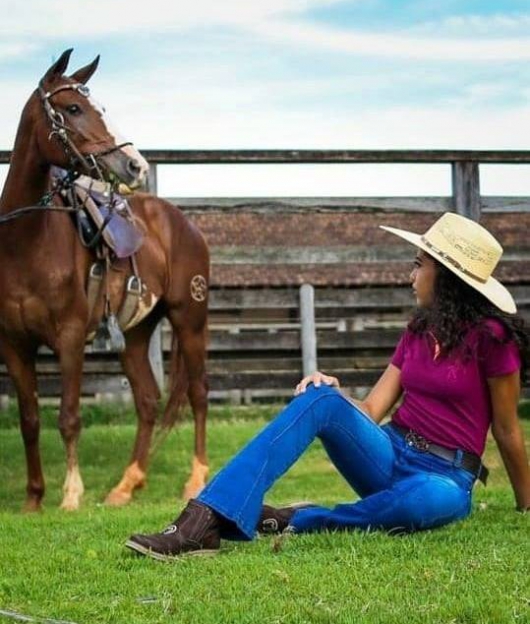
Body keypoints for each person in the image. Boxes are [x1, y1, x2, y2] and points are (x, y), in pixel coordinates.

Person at [126, 212, 530, 561]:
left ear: (445, 277)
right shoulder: (417, 332)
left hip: (444, 477)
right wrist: (333, 393)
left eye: (418, 264)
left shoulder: (493, 340)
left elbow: (508, 429)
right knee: (319, 397)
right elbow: (372, 411)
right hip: (388, 453)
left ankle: (293, 519)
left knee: (423, 502)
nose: (411, 275)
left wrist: (525, 506)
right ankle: (201, 520)